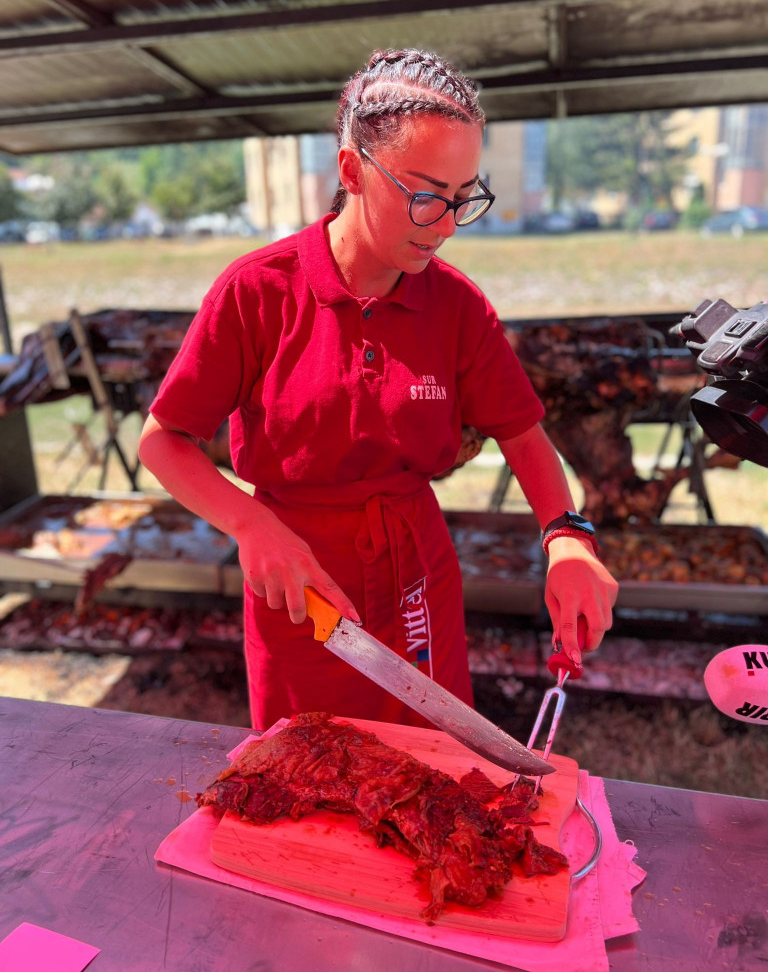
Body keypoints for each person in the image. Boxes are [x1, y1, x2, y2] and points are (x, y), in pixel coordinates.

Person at [138, 47, 618, 731]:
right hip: (301, 587)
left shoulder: (455, 306)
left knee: (434, 769)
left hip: (416, 572)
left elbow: (521, 433)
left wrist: (568, 538)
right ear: (351, 170)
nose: (447, 226)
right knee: (309, 771)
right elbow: (165, 442)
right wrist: (249, 524)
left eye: (462, 199)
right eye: (425, 196)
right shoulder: (260, 290)